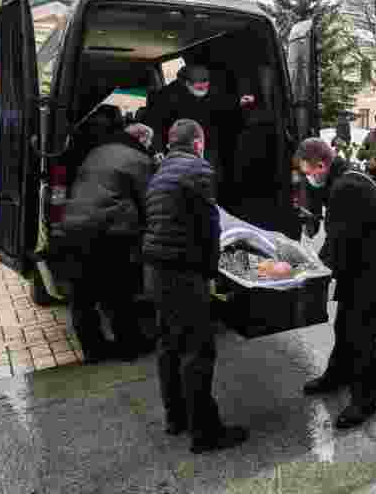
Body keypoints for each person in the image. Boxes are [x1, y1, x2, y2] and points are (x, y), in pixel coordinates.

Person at [142, 119, 248, 454]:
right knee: (198, 351)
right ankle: (205, 433)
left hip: (156, 269)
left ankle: (176, 418)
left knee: (168, 345)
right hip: (184, 273)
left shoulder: (158, 171)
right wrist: (213, 271)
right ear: (198, 142)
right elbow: (208, 226)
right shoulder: (199, 170)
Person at [298, 138, 376, 429]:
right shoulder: (340, 179)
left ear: (322, 165)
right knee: (344, 325)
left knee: (362, 334)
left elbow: (339, 242)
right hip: (362, 266)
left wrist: (309, 269)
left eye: (308, 171)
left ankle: (364, 400)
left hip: (375, 270)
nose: (308, 177)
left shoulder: (347, 187)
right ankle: (337, 375)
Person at [55, 118, 155, 363]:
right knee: (119, 292)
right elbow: (149, 202)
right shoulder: (138, 159)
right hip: (110, 232)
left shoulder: (96, 151)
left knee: (82, 297)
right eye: (149, 143)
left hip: (72, 227)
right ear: (141, 139)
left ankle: (93, 350)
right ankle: (129, 346)